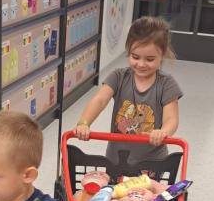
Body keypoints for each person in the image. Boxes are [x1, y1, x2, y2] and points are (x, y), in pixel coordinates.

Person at [75, 16, 182, 165]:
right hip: (117, 159)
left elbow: (171, 119)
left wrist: (163, 132)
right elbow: (99, 100)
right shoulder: (118, 77)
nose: (141, 64)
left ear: (162, 55)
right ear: (128, 51)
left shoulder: (166, 84)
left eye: (149, 59)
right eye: (135, 57)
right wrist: (84, 123)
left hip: (152, 161)